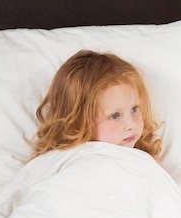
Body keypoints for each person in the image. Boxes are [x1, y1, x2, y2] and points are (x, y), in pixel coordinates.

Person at [31, 49, 162, 159]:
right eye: (115, 116)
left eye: (134, 109)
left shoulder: (145, 160)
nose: (131, 125)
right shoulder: (60, 161)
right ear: (77, 122)